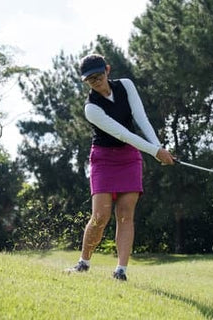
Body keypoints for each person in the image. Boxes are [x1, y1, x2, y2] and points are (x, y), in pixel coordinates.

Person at [68, 54, 175, 281]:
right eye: (90, 80)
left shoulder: (126, 85)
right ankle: (84, 262)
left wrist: (158, 146)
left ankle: (121, 271)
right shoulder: (91, 108)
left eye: (99, 76)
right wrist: (156, 152)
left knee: (126, 213)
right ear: (85, 82)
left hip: (129, 158)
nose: (96, 82)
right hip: (104, 159)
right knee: (100, 215)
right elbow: (123, 134)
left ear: (107, 70)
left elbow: (141, 118)